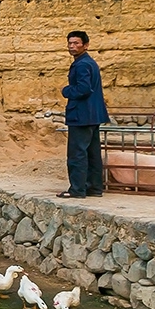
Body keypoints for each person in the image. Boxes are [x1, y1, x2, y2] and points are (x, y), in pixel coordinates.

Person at [58, 30, 107, 198]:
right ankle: (94, 188)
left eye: (76, 43)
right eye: (70, 43)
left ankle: (77, 189)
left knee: (77, 154)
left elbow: (84, 88)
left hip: (81, 115)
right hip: (93, 115)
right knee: (93, 154)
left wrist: (66, 90)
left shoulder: (82, 64)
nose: (72, 46)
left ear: (86, 45)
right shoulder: (89, 62)